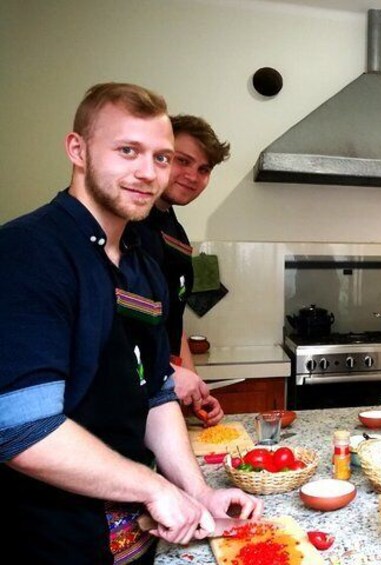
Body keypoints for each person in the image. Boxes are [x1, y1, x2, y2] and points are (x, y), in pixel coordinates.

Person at [0, 83, 262, 564]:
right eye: (128, 151)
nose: (148, 173)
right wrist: (152, 485)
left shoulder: (142, 262)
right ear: (77, 150)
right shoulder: (27, 252)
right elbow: (20, 427)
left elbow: (157, 389)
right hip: (50, 538)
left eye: (162, 158)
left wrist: (196, 491)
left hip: (135, 537)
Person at [137, 114, 230, 427]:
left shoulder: (174, 229)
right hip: (128, 395)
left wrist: (194, 387)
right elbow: (116, 327)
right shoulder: (129, 224)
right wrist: (168, 375)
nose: (193, 175)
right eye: (183, 161)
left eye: (203, 169)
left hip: (157, 395)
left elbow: (172, 321)